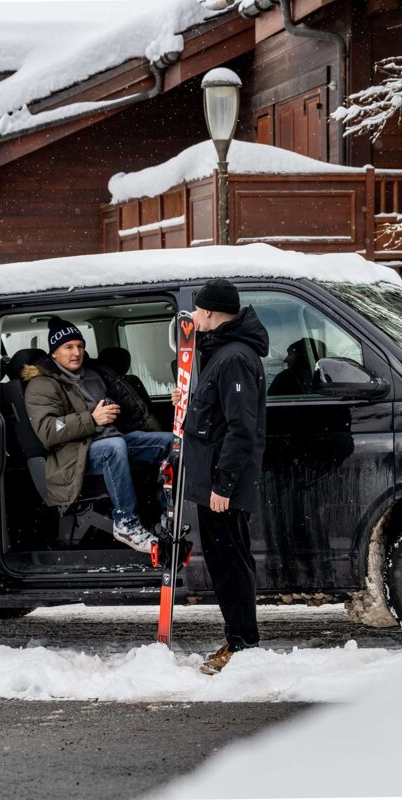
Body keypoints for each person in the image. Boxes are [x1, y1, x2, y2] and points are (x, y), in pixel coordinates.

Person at [172, 279, 269, 675]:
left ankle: (243, 644)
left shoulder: (234, 358)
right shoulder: (226, 354)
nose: (193, 317)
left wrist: (222, 485)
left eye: (197, 310)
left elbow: (240, 428)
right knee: (228, 561)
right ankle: (238, 637)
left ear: (210, 312)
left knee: (230, 564)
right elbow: (217, 415)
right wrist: (190, 404)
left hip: (221, 487)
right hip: (215, 481)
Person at [22, 316, 172, 553]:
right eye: (68, 347)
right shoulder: (41, 385)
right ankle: (126, 523)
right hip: (73, 455)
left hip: (109, 440)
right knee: (114, 447)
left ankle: (168, 514)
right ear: (54, 354)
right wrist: (92, 419)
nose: (76, 352)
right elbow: (49, 430)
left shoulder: (92, 375)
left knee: (168, 442)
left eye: (80, 346)